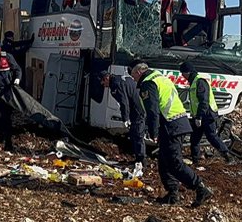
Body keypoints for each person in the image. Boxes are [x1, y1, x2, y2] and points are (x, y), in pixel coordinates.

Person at [132, 61, 211, 207]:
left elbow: (152, 110)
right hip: (177, 122)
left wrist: (153, 131)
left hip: (171, 124)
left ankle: (200, 187)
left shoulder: (148, 83)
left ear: (138, 73)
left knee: (175, 162)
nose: (134, 80)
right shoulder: (161, 78)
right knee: (164, 161)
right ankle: (173, 193)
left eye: (133, 77)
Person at [181, 61, 232, 163]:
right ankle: (195, 159)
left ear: (187, 72)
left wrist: (199, 117)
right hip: (199, 116)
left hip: (207, 115)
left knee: (211, 136)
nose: (183, 77)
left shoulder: (200, 82)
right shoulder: (194, 82)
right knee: (194, 138)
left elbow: (204, 101)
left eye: (183, 74)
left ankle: (228, 156)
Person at [99, 69, 146, 174]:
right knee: (135, 135)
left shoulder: (116, 85)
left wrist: (125, 118)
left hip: (137, 110)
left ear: (107, 78)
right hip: (139, 106)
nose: (103, 84)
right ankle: (138, 158)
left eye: (103, 81)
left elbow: (124, 102)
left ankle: (141, 160)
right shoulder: (119, 78)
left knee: (137, 135)